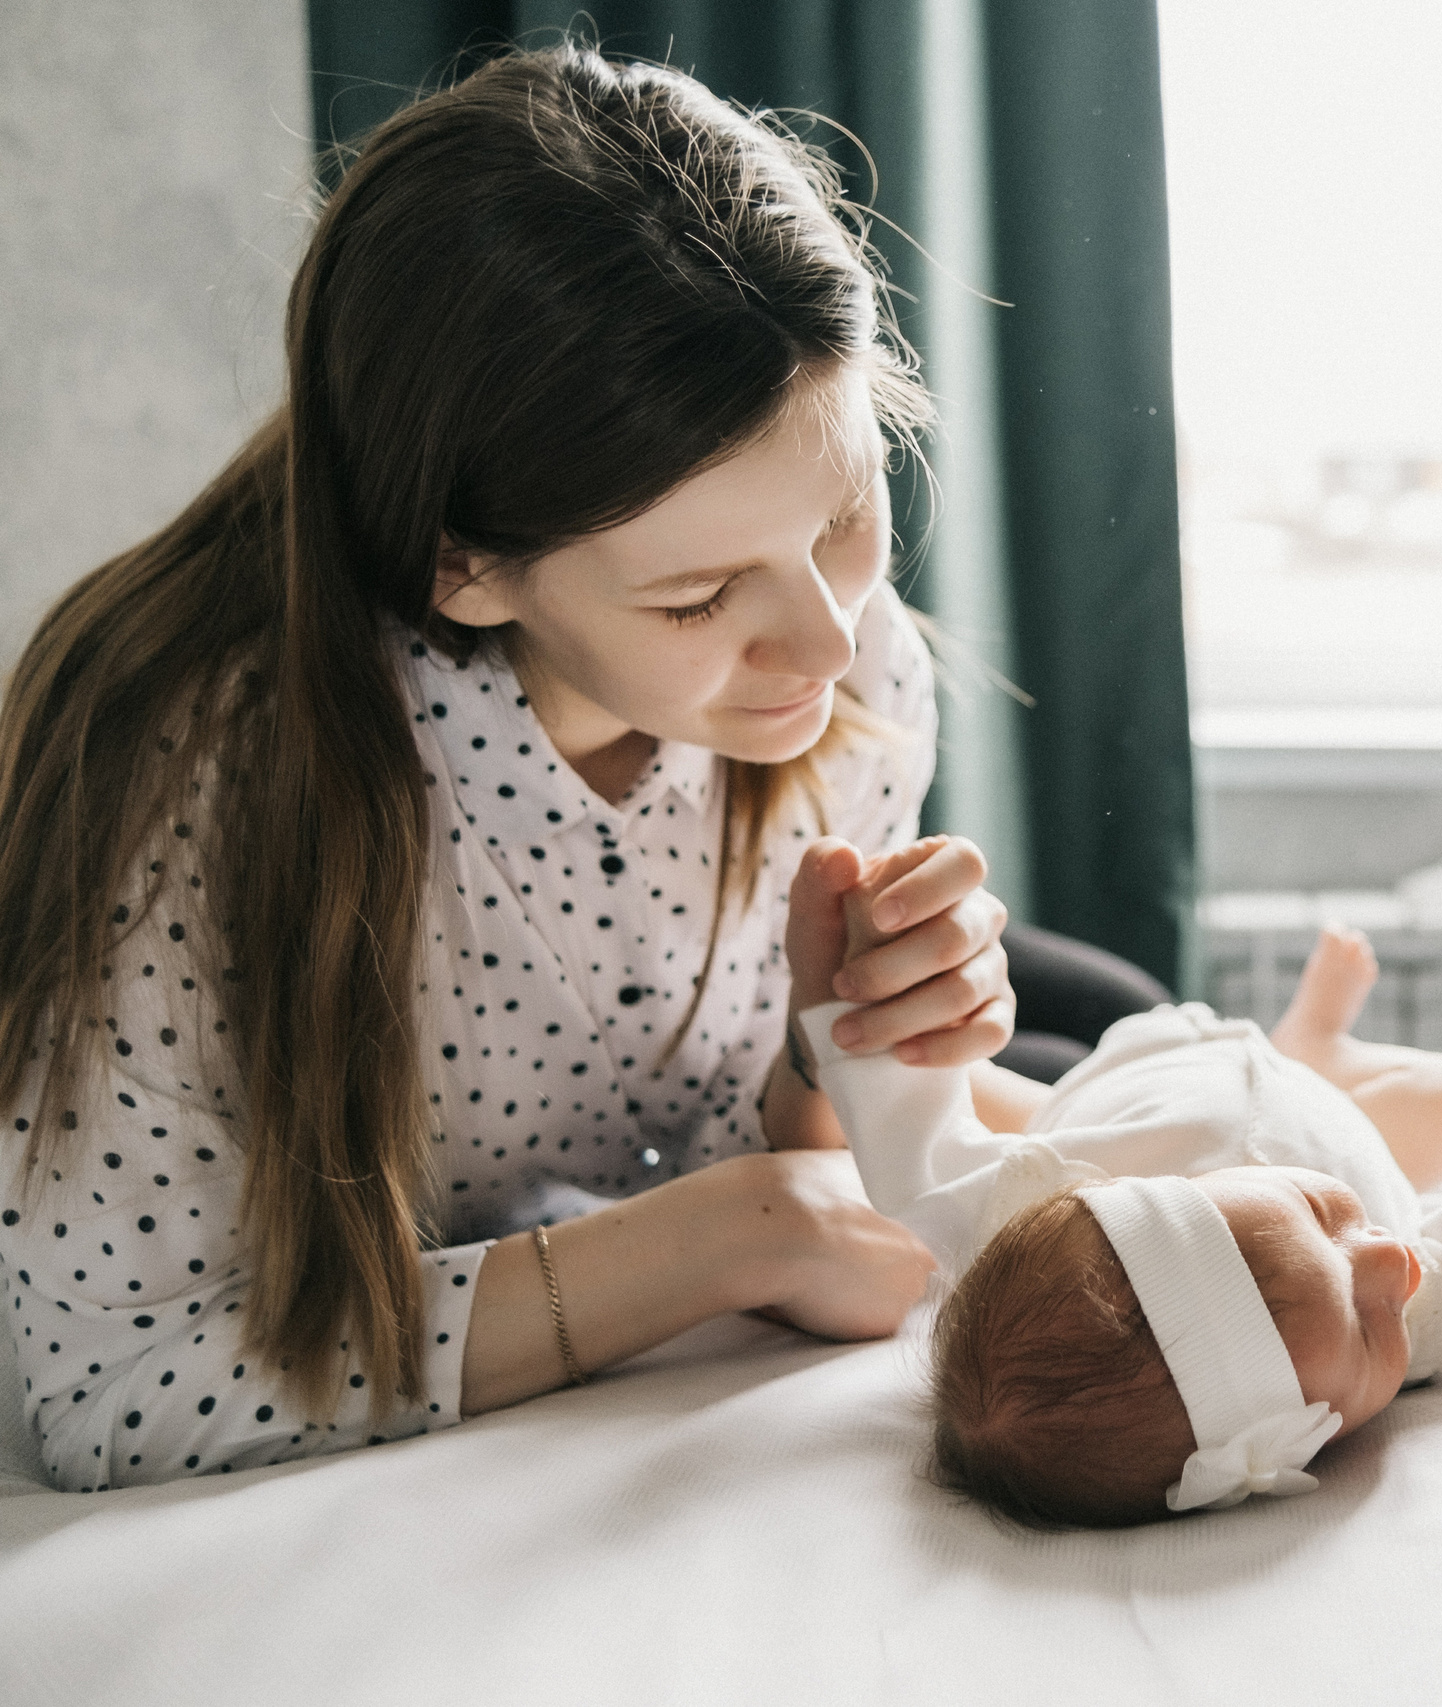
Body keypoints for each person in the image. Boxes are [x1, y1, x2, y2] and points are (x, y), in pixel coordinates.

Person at [0, 47, 1033, 1489]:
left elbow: (786, 1163)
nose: (830, 633)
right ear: (467, 568)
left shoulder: (849, 665)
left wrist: (836, 1043)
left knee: (1144, 1069)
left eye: (848, 509)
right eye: (697, 599)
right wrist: (720, 1237)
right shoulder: (190, 780)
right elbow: (111, 1387)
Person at [797, 899, 1442, 1527]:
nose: (1393, 1264)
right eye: (1368, 1330)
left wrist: (848, 984)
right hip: (1329, 1110)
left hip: (1122, 1086)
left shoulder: (1032, 1206)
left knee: (995, 1095)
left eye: (1324, 1223)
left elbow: (912, 1145)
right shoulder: (1420, 1320)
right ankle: (1310, 1050)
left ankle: (1300, 1044)